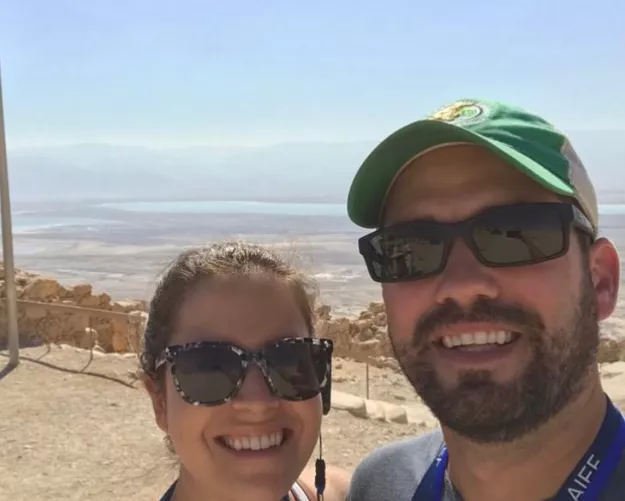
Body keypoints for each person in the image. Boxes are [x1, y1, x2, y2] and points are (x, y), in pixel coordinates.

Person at [344, 99, 624, 500]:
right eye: (412, 248)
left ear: (600, 282)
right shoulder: (381, 486)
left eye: (515, 235)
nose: (462, 284)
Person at [139, 241, 350, 501]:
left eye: (289, 361)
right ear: (160, 403)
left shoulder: (354, 493)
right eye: (210, 368)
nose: (258, 403)